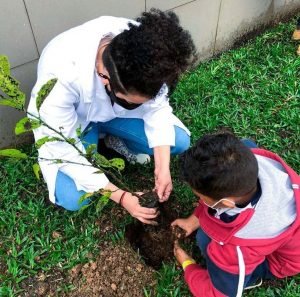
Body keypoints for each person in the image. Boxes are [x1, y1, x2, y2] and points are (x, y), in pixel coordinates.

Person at [27, 9, 197, 224]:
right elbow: (62, 148)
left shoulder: (149, 50)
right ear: (106, 79)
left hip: (113, 115)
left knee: (178, 140)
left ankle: (113, 139)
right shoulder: (59, 77)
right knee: (74, 198)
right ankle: (98, 136)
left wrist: (161, 169)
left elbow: (157, 110)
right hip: (78, 124)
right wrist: (122, 197)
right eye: (131, 101)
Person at [172, 132, 300, 297]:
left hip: (280, 260)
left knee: (204, 239)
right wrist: (193, 220)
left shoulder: (237, 246)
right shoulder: (248, 158)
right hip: (288, 233)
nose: (199, 198)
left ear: (226, 204)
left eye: (200, 196)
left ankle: (251, 277)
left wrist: (188, 265)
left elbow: (218, 295)